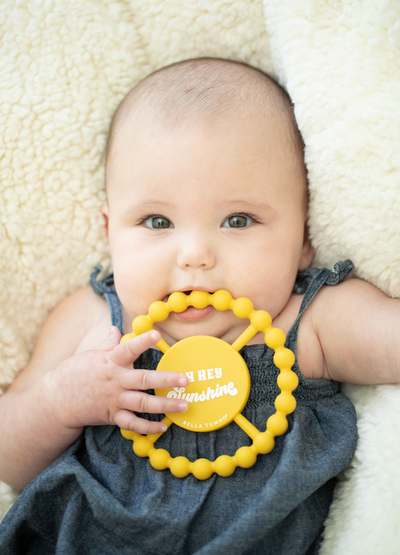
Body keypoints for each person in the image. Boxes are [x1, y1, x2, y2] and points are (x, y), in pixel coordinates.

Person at [0, 58, 398, 555]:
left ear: (304, 237)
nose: (194, 256)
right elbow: (8, 457)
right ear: (109, 233)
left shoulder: (309, 320)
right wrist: (59, 402)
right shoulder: (96, 322)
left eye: (237, 220)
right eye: (156, 222)